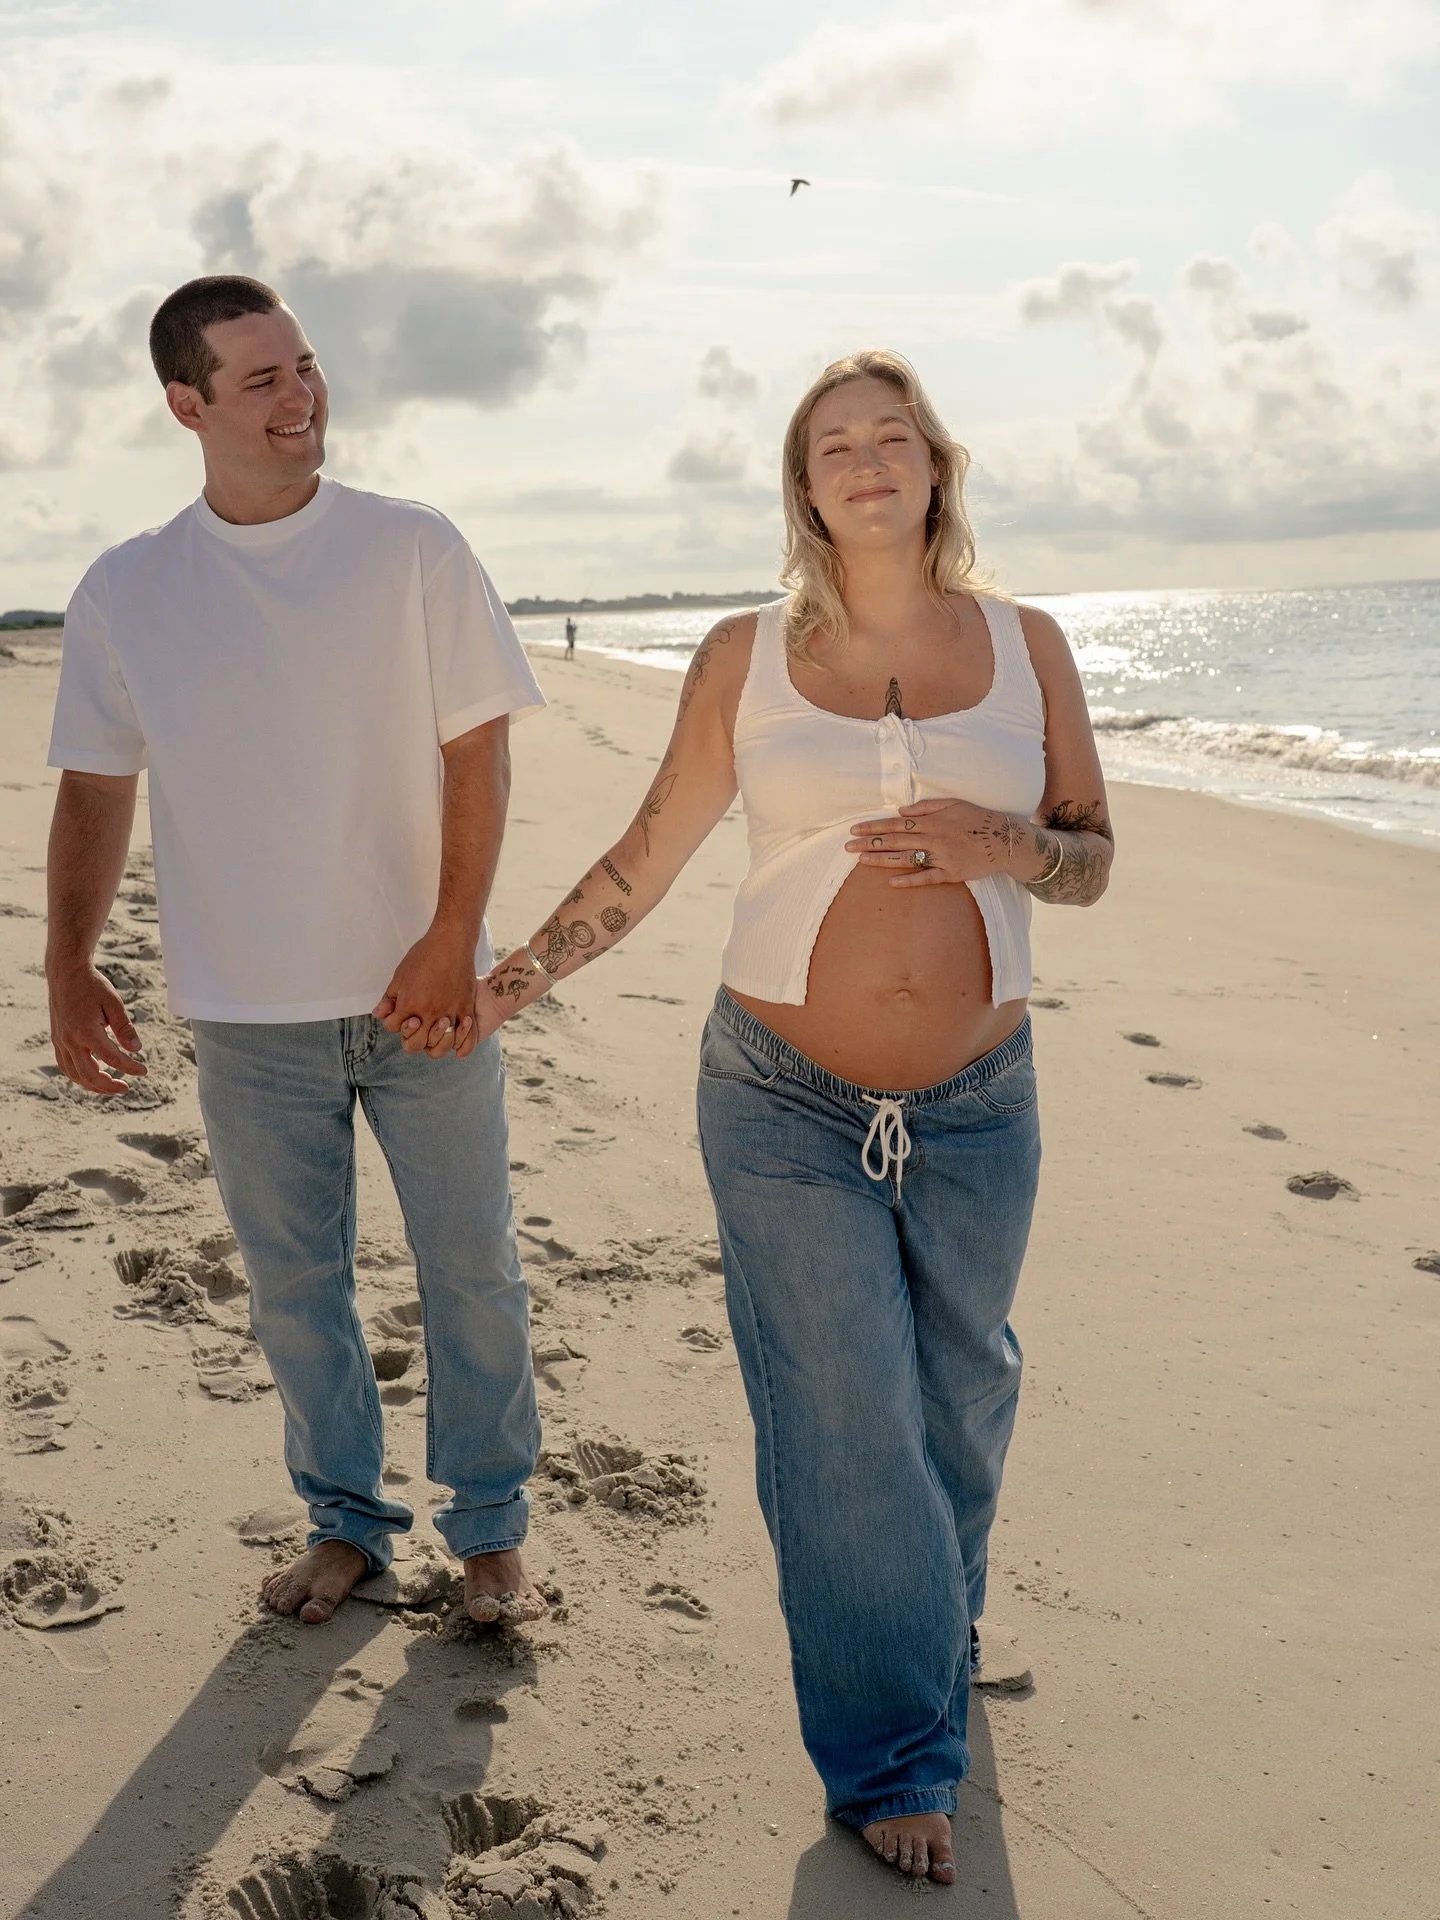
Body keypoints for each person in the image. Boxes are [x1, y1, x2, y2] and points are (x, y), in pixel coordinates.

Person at [464, 349, 1114, 1882]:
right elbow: (648, 854)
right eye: (837, 445)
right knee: (842, 1415)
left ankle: (929, 1625)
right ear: (804, 485)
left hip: (978, 1098)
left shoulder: (1028, 646)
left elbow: (1090, 859)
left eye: (895, 436)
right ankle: (894, 1752)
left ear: (937, 465)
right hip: (779, 1097)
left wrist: (1003, 842)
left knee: (960, 1393)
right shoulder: (742, 656)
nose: (869, 460)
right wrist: (514, 980)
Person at [45, 274, 549, 1629]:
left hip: (425, 996)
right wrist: (67, 962)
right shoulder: (127, 589)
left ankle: (492, 1531)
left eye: (307, 368)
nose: (300, 397)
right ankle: (346, 1523)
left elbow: (477, 749)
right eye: (261, 379)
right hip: (245, 1007)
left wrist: (453, 937)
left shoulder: (410, 548)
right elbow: (96, 787)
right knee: (296, 1288)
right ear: (186, 405)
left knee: (471, 1267)